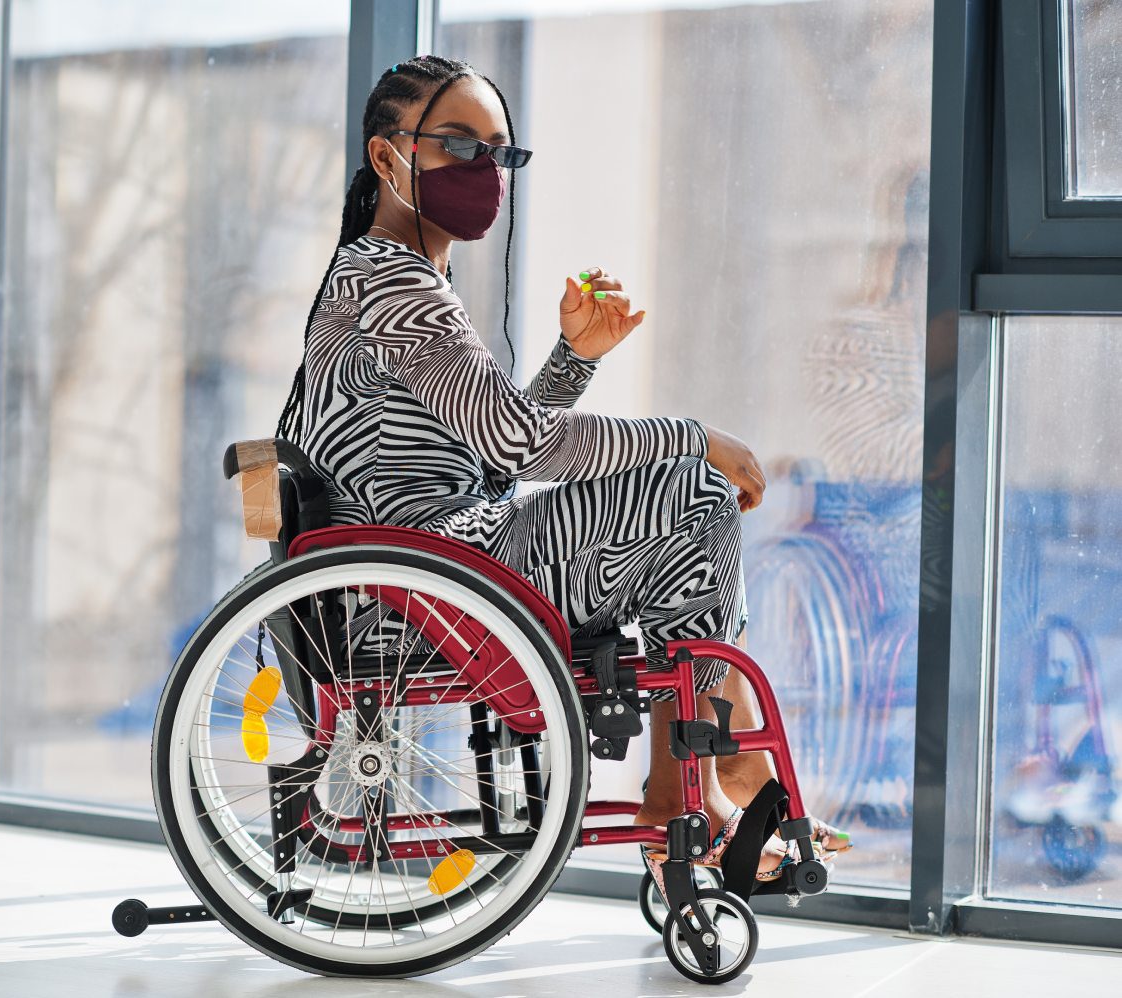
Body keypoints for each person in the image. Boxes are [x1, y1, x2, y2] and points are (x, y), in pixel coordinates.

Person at [273, 53, 851, 892]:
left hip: (435, 560)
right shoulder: (392, 284)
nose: (485, 172)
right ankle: (706, 782)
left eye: (499, 153)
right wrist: (694, 436)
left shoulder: (398, 277)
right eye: (458, 145)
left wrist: (573, 359)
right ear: (387, 156)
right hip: (425, 579)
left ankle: (695, 784)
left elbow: (486, 454)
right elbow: (515, 448)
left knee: (687, 516)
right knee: (693, 494)